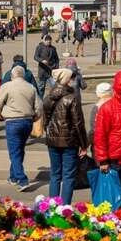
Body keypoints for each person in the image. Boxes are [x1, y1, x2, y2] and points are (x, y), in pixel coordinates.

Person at [0, 66, 42, 192]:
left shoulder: (7, 86)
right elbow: (39, 106)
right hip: (27, 121)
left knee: (14, 151)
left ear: (12, 75)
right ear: (23, 75)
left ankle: (22, 179)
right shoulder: (31, 87)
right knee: (19, 149)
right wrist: (35, 117)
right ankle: (13, 177)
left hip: (13, 121)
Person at [43, 68, 88, 204]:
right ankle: (64, 208)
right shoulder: (71, 98)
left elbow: (46, 119)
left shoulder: (48, 97)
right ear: (66, 80)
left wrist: (50, 132)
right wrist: (84, 144)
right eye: (71, 79)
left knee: (55, 174)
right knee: (68, 176)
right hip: (69, 141)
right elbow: (78, 123)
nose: (73, 81)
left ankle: (52, 206)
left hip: (52, 140)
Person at [88, 83, 113, 150]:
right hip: (116, 143)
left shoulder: (97, 107)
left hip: (100, 144)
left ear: (98, 93)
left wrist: (86, 143)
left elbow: (93, 129)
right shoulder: (117, 105)